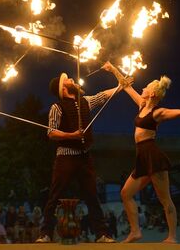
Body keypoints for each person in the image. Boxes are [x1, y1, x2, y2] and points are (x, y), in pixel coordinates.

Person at [103, 61, 180, 243]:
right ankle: (135, 231)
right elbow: (126, 85)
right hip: (141, 157)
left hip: (153, 157)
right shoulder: (141, 105)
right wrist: (113, 69)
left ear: (152, 93)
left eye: (146, 88)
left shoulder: (158, 113)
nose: (142, 88)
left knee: (165, 199)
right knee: (125, 193)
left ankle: (172, 236)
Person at [36, 72, 128, 243]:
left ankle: (101, 234)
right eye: (68, 80)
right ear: (64, 88)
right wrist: (72, 135)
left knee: (92, 195)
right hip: (65, 157)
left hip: (84, 157)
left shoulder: (85, 101)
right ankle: (46, 233)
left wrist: (121, 86)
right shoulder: (56, 107)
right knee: (55, 196)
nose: (72, 79)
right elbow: (51, 132)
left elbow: (102, 97)